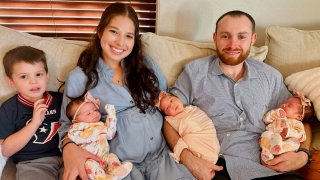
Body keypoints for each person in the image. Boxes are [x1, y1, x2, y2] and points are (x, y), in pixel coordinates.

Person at [163, 10, 312, 180]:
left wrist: (303, 154)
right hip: (215, 166)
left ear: (253, 39)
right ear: (215, 38)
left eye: (241, 37)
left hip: (268, 167)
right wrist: (188, 159)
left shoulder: (270, 77)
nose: (233, 44)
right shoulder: (194, 73)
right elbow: (167, 120)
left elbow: (302, 119)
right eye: (225, 36)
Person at [58, 2, 194, 180]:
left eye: (129, 36)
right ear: (100, 31)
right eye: (113, 31)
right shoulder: (80, 78)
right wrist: (69, 147)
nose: (120, 42)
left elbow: (166, 95)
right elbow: (67, 124)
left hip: (162, 157)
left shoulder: (145, 64)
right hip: (118, 165)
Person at [0, 46, 63, 180]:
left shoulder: (60, 100)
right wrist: (34, 123)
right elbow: (6, 150)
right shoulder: (9, 109)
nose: (33, 81)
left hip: (66, 157)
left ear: (47, 76)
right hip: (33, 164)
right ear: (11, 81)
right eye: (23, 76)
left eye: (38, 74)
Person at [65, 92, 132, 179]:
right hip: (88, 158)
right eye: (88, 113)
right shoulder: (77, 127)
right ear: (76, 120)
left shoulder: (100, 125)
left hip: (104, 156)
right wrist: (95, 133)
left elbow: (110, 134)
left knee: (112, 157)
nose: (94, 113)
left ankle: (116, 172)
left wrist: (111, 115)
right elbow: (74, 137)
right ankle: (104, 178)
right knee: (89, 165)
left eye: (95, 110)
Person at [155, 91, 220, 164]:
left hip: (206, 133)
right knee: (189, 139)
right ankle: (204, 158)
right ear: (166, 114)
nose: (172, 105)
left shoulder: (192, 109)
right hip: (194, 136)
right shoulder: (170, 120)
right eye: (167, 108)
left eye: (171, 100)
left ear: (177, 97)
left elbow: (205, 121)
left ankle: (209, 154)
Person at [260, 92, 314, 162]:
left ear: (298, 117)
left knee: (295, 143)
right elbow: (266, 119)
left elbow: (302, 136)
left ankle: (279, 149)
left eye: (289, 105)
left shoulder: (297, 123)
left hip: (285, 144)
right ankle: (266, 153)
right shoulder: (278, 115)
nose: (283, 105)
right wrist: (274, 114)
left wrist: (288, 132)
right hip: (272, 137)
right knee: (265, 135)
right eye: (284, 103)